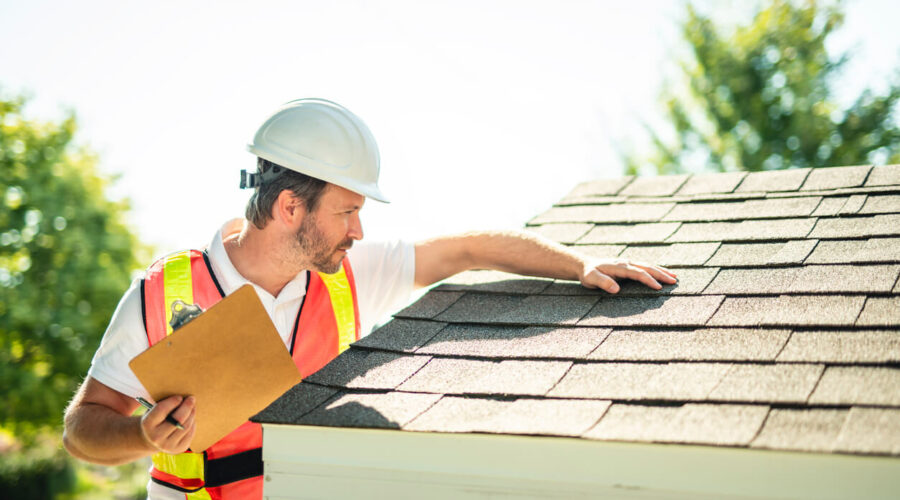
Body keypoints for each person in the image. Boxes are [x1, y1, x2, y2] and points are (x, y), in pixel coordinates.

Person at [63, 98, 676, 499]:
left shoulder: (346, 274)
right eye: (349, 211)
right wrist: (144, 435)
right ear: (289, 207)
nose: (359, 231)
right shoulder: (161, 294)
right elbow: (81, 432)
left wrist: (580, 264)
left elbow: (463, 251)